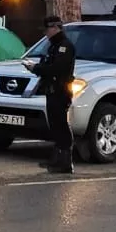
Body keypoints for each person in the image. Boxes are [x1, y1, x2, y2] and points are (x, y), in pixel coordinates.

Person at [31, 15, 77, 175]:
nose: (45, 33)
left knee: (61, 125)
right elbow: (48, 64)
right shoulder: (53, 46)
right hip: (51, 90)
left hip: (60, 91)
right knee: (55, 125)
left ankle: (65, 161)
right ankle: (57, 158)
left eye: (47, 29)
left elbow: (57, 68)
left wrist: (36, 68)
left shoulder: (64, 46)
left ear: (55, 28)